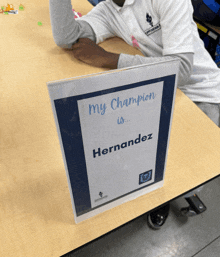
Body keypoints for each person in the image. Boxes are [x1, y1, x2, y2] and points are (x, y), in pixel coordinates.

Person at [49, 0, 220, 228]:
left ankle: (163, 199)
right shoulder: (110, 9)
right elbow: (67, 38)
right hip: (156, 87)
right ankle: (152, 187)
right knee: (129, 145)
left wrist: (110, 59)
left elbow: (182, 71)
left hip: (200, 93)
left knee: (182, 173)